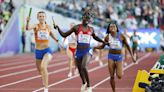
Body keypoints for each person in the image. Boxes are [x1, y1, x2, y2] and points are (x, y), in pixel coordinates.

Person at [54, 10, 106, 92]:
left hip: (87, 51)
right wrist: (58, 28)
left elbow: (95, 37)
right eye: (86, 17)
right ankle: (84, 83)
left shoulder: (91, 29)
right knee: (79, 69)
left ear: (90, 20)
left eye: (89, 18)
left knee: (84, 66)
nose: (87, 19)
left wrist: (103, 42)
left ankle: (89, 86)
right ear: (82, 18)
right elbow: (64, 34)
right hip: (78, 51)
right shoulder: (77, 27)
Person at [94, 22, 136, 92]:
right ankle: (114, 91)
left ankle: (119, 68)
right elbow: (102, 46)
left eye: (114, 26)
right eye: (111, 27)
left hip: (119, 56)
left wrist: (132, 57)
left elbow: (128, 46)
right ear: (109, 29)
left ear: (117, 28)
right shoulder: (107, 37)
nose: (112, 27)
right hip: (111, 56)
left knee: (119, 76)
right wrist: (96, 47)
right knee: (112, 76)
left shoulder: (121, 36)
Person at [26, 11, 61, 92]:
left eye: (43, 16)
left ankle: (46, 88)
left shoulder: (48, 27)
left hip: (47, 50)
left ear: (45, 17)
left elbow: (51, 34)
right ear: (38, 18)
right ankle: (44, 78)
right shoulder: (36, 26)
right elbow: (27, 28)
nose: (42, 17)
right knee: (40, 70)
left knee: (43, 66)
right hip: (38, 51)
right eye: (40, 16)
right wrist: (27, 21)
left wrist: (57, 40)